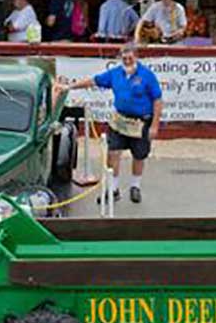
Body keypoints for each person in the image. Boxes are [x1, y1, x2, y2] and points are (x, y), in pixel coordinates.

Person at [61, 43, 162, 204]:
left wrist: (154, 125)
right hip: (120, 120)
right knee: (113, 152)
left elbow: (157, 100)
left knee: (139, 155)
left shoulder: (147, 75)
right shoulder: (115, 74)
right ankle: (113, 189)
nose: (127, 61)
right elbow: (94, 81)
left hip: (141, 122)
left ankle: (135, 186)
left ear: (136, 57)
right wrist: (70, 87)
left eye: (130, 58)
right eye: (124, 58)